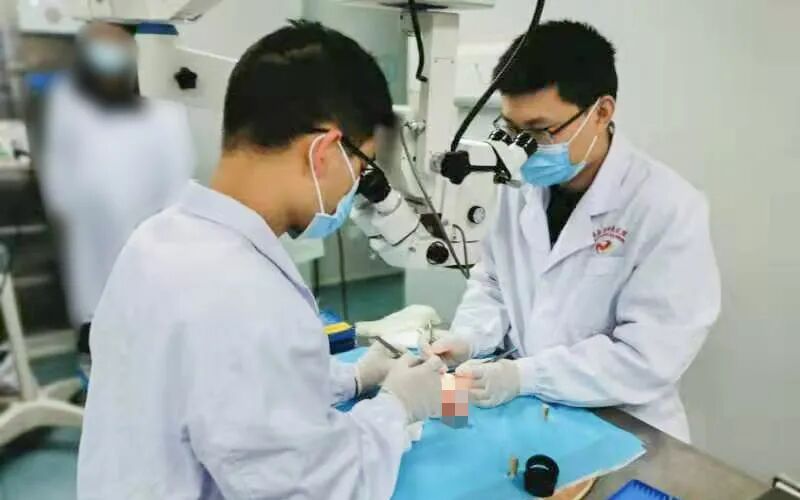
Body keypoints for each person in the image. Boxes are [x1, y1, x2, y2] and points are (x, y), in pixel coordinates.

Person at [77, 21, 444, 499]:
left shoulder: (156, 239)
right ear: (324, 152)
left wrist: (355, 378)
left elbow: (228, 393)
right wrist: (396, 408)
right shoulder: (245, 294)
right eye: (361, 169)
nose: (355, 190)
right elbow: (321, 488)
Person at [422, 21, 720, 442]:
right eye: (511, 130)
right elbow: (493, 283)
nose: (521, 149)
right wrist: (468, 338)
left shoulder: (668, 207)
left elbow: (649, 356)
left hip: (622, 425)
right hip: (534, 413)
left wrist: (523, 376)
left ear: (601, 112)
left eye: (538, 131)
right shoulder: (517, 187)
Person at [39, 21, 194, 378]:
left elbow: (177, 189)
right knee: (104, 353)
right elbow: (61, 189)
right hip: (94, 260)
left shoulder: (165, 112)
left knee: (153, 357)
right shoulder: (69, 105)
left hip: (155, 261)